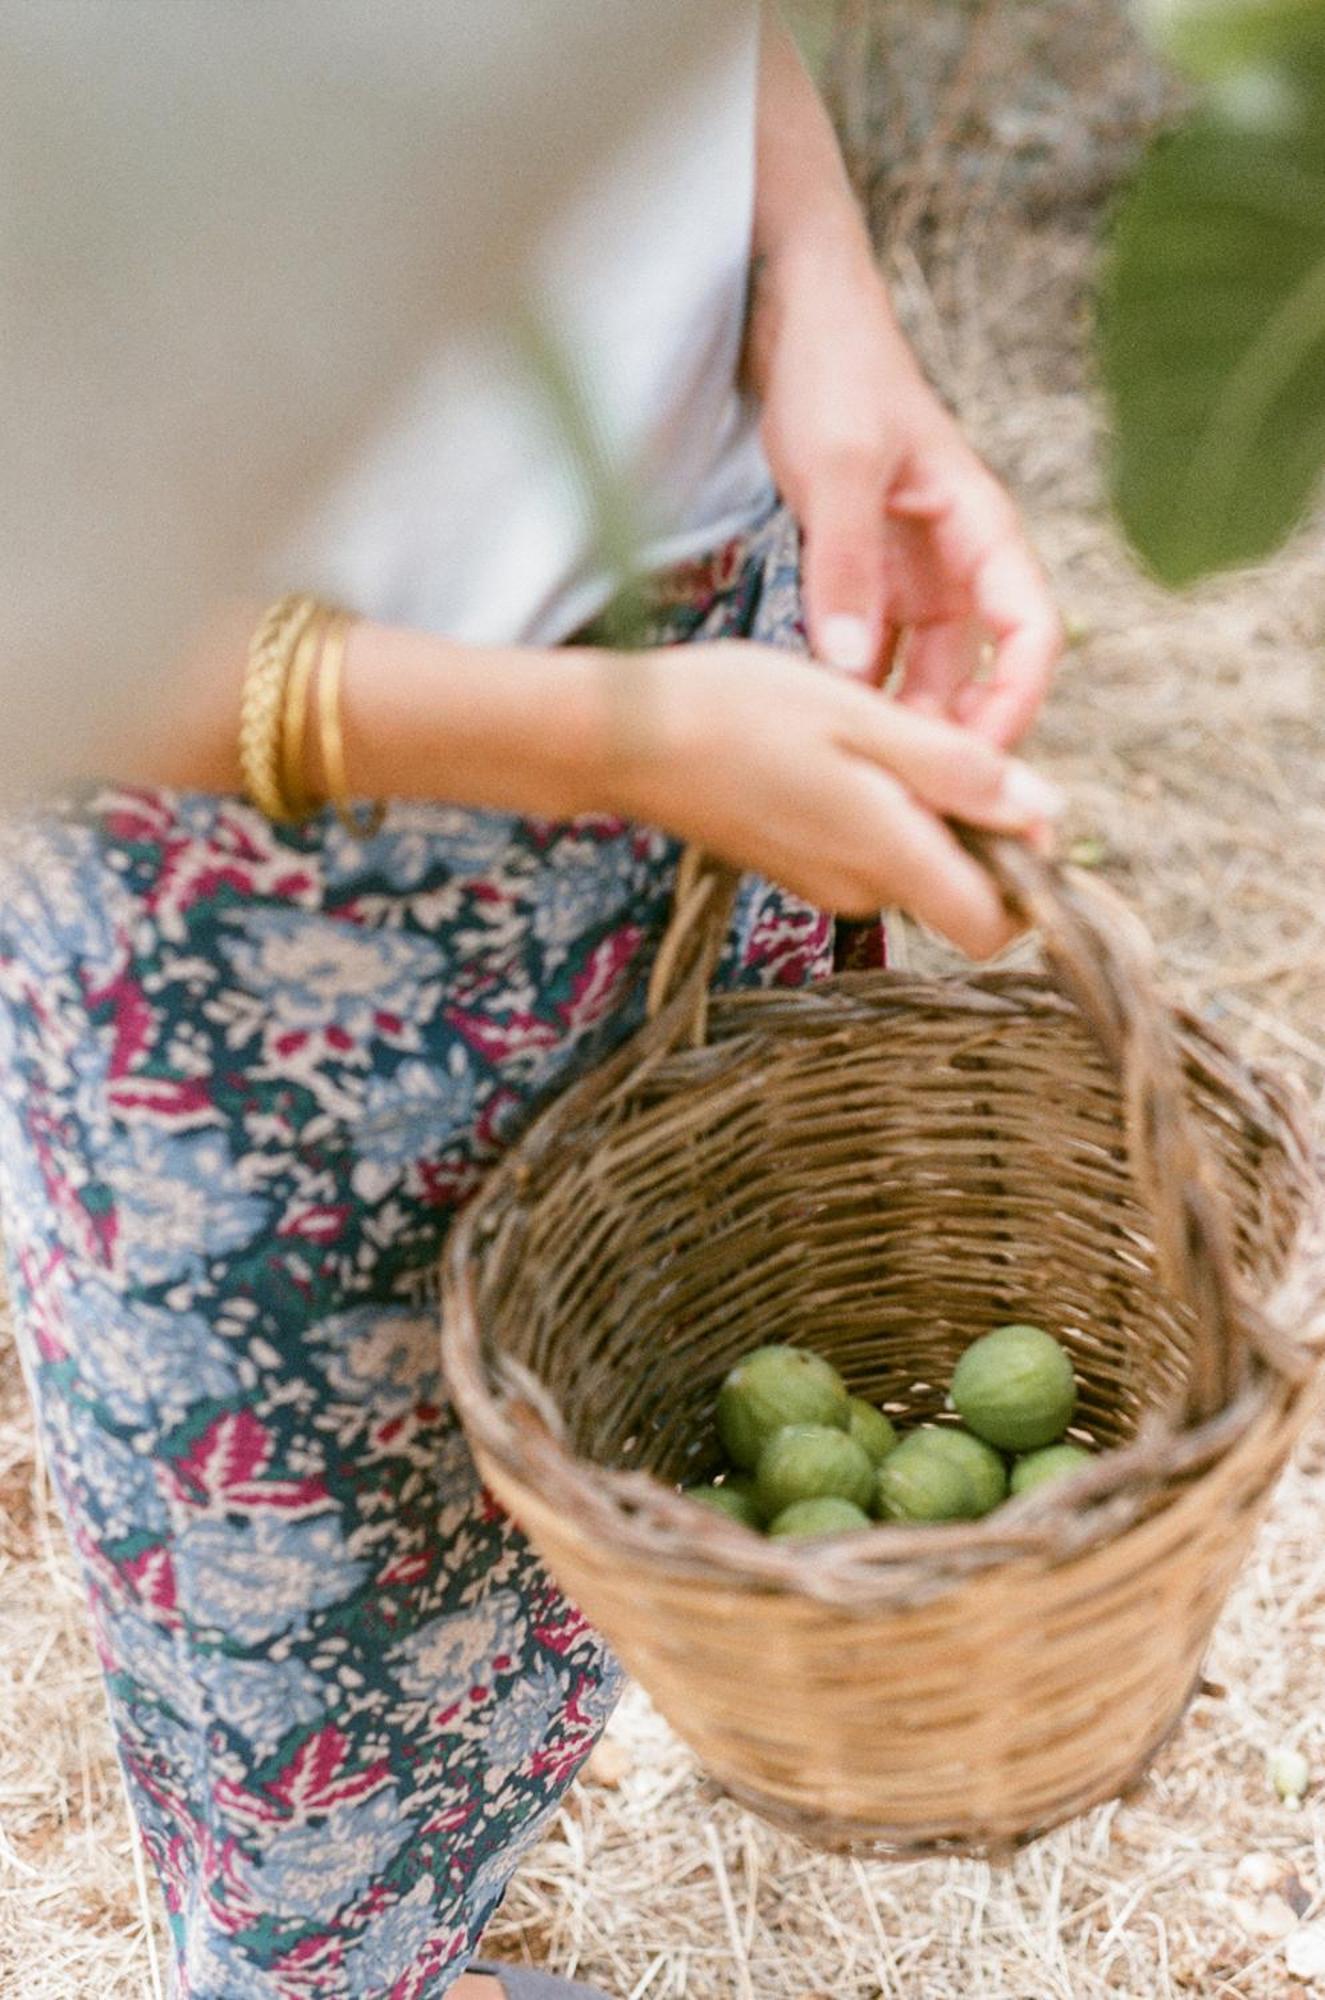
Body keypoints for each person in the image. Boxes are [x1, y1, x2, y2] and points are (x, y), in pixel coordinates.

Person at [0, 11, 1063, 1997]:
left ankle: (425, 1940)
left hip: (702, 671)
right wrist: (607, 736)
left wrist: (814, 289)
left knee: (580, 1494)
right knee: (306, 1666)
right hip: (242, 904)